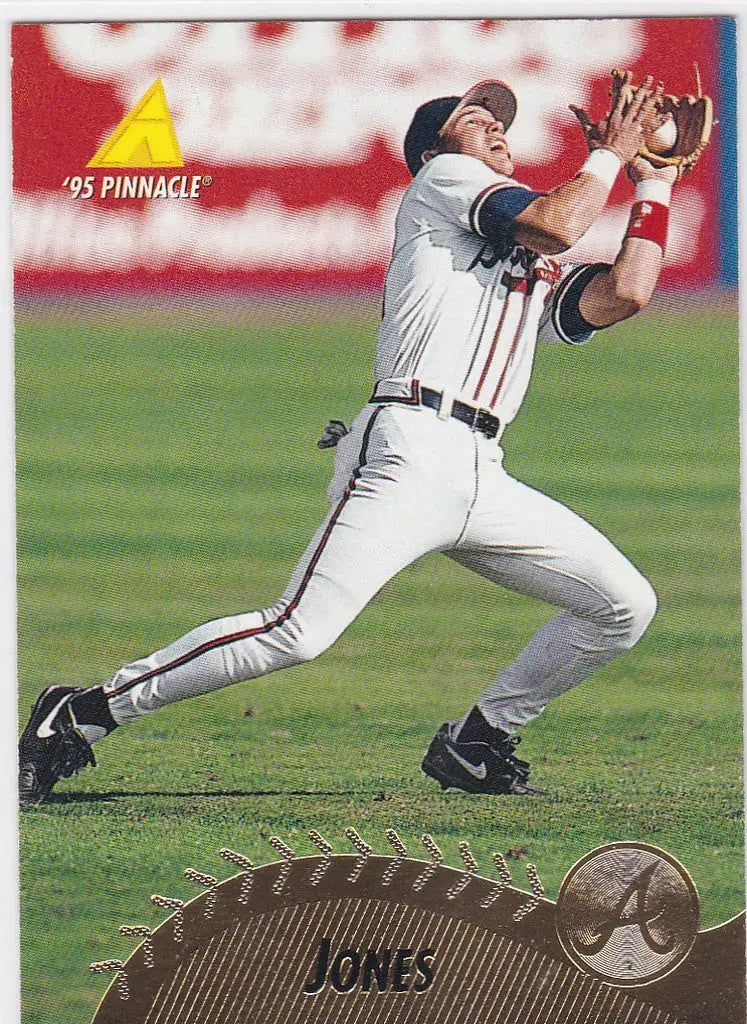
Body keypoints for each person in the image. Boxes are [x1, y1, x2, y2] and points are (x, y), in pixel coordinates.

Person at [19, 73, 677, 803]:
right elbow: (557, 222)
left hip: (481, 471)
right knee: (297, 632)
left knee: (622, 605)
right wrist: (610, 154)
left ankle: (480, 739)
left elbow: (625, 292)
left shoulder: (523, 253)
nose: (494, 127)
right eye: (472, 118)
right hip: (408, 452)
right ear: (432, 149)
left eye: (499, 121)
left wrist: (654, 182)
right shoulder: (443, 182)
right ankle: (82, 713)